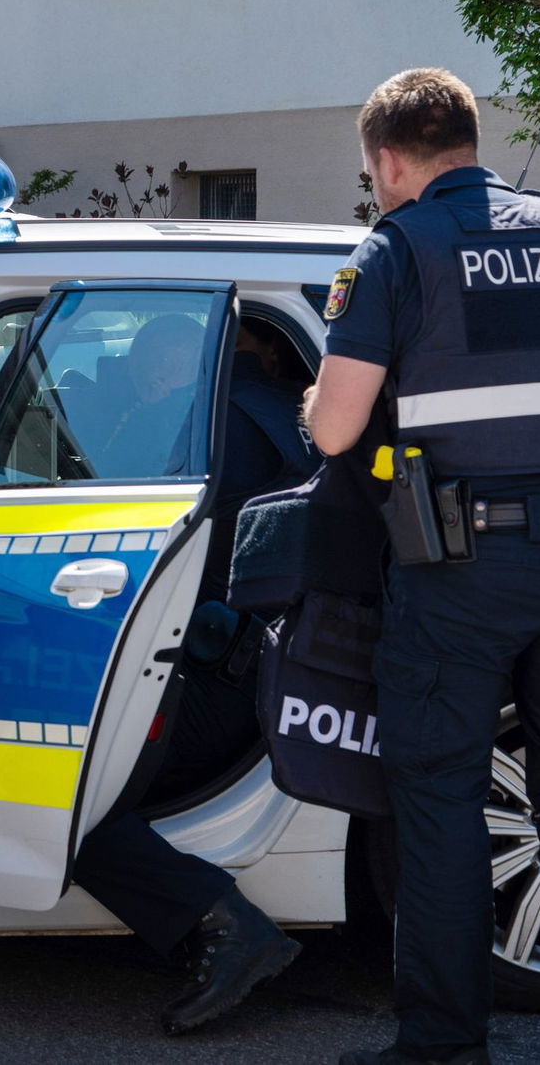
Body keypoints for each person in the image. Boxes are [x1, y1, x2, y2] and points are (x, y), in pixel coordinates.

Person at [302, 68, 540, 1065]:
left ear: (388, 161)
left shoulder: (395, 249)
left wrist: (318, 401)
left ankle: (444, 1043)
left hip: (460, 569)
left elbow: (334, 431)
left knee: (442, 794)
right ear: (468, 141)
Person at [72, 315, 319, 1036]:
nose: (145, 386)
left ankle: (226, 925)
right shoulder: (283, 412)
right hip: (273, 667)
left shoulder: (203, 431)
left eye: (153, 373)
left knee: (58, 791)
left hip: (217, 683)